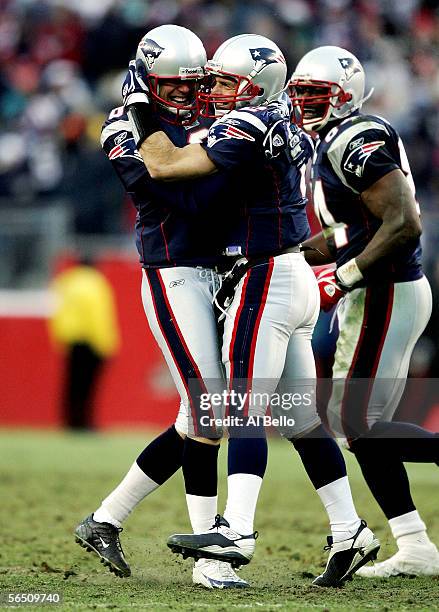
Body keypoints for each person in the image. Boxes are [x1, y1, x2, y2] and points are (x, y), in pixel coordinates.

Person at [130, 33, 380, 587]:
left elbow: (166, 167)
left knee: (243, 405)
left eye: (224, 81)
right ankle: (350, 529)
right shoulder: (286, 121)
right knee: (300, 417)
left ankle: (236, 528)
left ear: (254, 86)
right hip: (292, 274)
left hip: (265, 274)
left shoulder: (247, 124)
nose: (212, 89)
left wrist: (140, 108)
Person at [74, 24, 251, 589]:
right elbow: (179, 191)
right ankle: (209, 556)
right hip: (174, 272)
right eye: (170, 86)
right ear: (145, 81)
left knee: (198, 415)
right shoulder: (124, 124)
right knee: (209, 411)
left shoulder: (210, 114)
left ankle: (105, 520)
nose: (183, 94)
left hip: (221, 271)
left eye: (190, 84)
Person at [289, 45, 439, 577]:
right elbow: (352, 230)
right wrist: (289, 255)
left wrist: (345, 275)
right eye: (299, 92)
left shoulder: (356, 136)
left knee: (352, 421)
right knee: (360, 423)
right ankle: (414, 543)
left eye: (315, 93)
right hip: (383, 289)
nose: (304, 102)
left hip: (383, 289)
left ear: (345, 94)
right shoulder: (330, 140)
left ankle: (411, 537)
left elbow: (403, 222)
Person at [49, 256, 120, 429]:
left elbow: (57, 313)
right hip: (91, 342)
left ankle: (70, 422)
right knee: (88, 386)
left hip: (72, 340)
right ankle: (84, 422)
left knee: (72, 385)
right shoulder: (95, 284)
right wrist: (105, 344)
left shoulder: (66, 282)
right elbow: (98, 317)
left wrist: (61, 338)